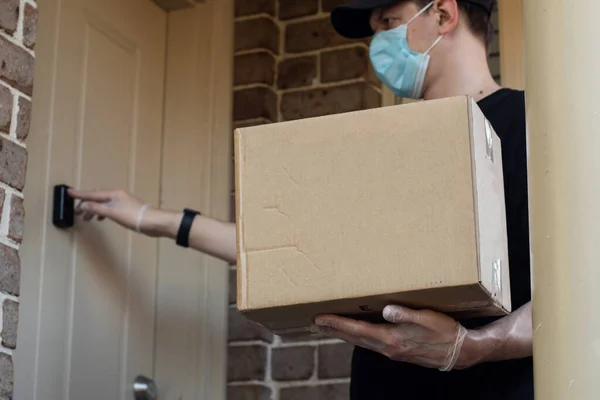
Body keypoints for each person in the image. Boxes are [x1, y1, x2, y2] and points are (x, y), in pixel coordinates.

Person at [68, 0, 533, 398]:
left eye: (387, 24)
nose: (377, 46)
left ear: (445, 13)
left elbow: (583, 294)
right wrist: (154, 219)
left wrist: (473, 347)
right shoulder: (388, 146)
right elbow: (290, 251)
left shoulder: (529, 124)